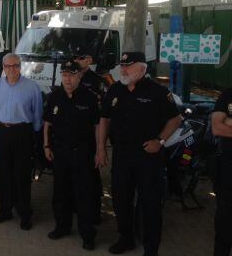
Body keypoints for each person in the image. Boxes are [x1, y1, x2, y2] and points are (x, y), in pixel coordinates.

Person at [96, 52, 182, 256]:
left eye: (129, 66)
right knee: (120, 199)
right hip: (122, 155)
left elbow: (175, 119)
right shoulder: (116, 89)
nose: (123, 70)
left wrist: (160, 141)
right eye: (122, 66)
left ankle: (151, 248)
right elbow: (105, 119)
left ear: (142, 68)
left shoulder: (158, 92)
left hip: (148, 157)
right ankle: (126, 239)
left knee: (150, 203)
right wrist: (100, 148)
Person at [44, 58, 99, 250]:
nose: (67, 79)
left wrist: (100, 150)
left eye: (72, 75)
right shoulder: (55, 97)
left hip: (82, 153)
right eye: (64, 75)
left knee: (84, 194)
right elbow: (47, 124)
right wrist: (46, 146)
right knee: (60, 192)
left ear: (79, 76)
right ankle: (62, 226)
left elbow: (98, 126)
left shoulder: (90, 98)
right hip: (60, 152)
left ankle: (88, 234)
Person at [0, 53, 42, 231]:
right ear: (3, 67)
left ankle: (25, 213)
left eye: (15, 65)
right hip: (2, 132)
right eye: (8, 66)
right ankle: (5, 210)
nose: (12, 69)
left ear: (20, 66)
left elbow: (37, 113)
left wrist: (33, 134)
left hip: (23, 132)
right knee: (3, 173)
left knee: (22, 174)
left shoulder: (32, 87)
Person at [73, 46, 107, 224]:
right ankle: (75, 207)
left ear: (90, 60)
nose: (78, 60)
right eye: (76, 57)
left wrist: (100, 145)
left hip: (90, 135)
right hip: (72, 135)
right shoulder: (69, 74)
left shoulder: (96, 80)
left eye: (82, 57)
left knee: (91, 177)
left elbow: (101, 113)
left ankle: (94, 211)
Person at [211, 88, 232, 256]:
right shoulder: (228, 95)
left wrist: (229, 122)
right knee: (225, 218)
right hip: (228, 168)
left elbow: (224, 124)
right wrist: (224, 123)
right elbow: (217, 128)